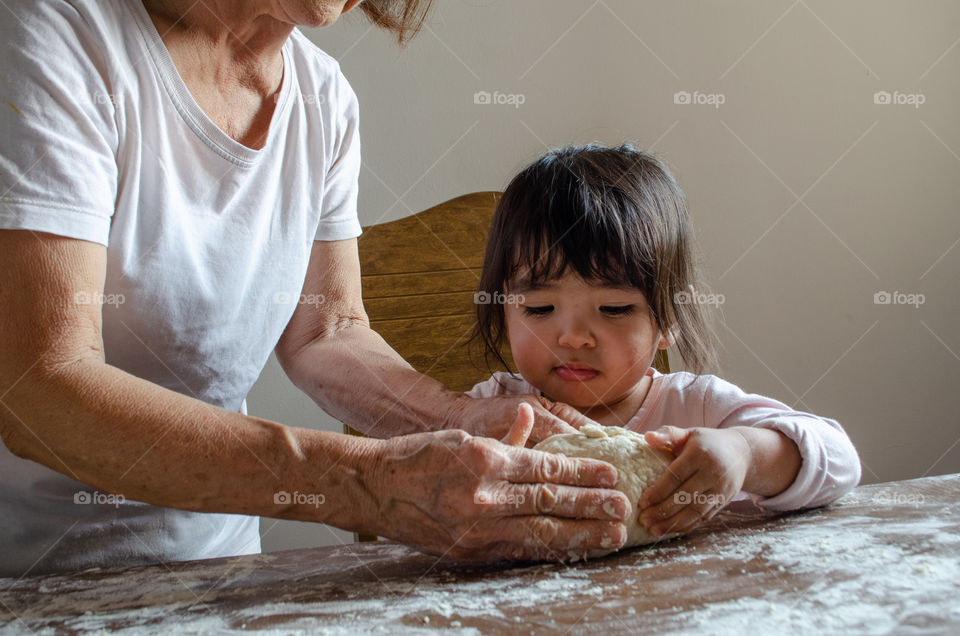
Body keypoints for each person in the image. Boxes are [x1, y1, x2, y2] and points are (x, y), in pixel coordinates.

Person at [0, 1, 632, 577]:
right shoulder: (56, 35)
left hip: (218, 571)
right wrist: (369, 487)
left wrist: (460, 417)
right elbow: (38, 387)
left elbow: (325, 333)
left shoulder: (324, 97)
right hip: (33, 577)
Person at [468, 144, 861, 539]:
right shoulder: (489, 411)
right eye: (539, 308)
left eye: (615, 308)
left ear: (669, 317)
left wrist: (743, 453)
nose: (573, 337)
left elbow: (841, 460)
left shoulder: (697, 408)